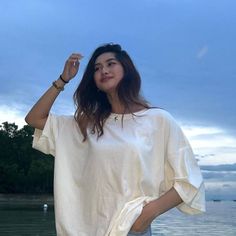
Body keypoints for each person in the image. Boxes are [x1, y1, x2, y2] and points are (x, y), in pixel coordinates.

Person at [25, 43, 205, 236]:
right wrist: (62, 80)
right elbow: (34, 119)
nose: (103, 70)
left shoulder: (158, 120)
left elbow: (190, 180)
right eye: (97, 68)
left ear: (126, 69)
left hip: (130, 228)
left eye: (110, 64)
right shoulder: (87, 124)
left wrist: (147, 215)